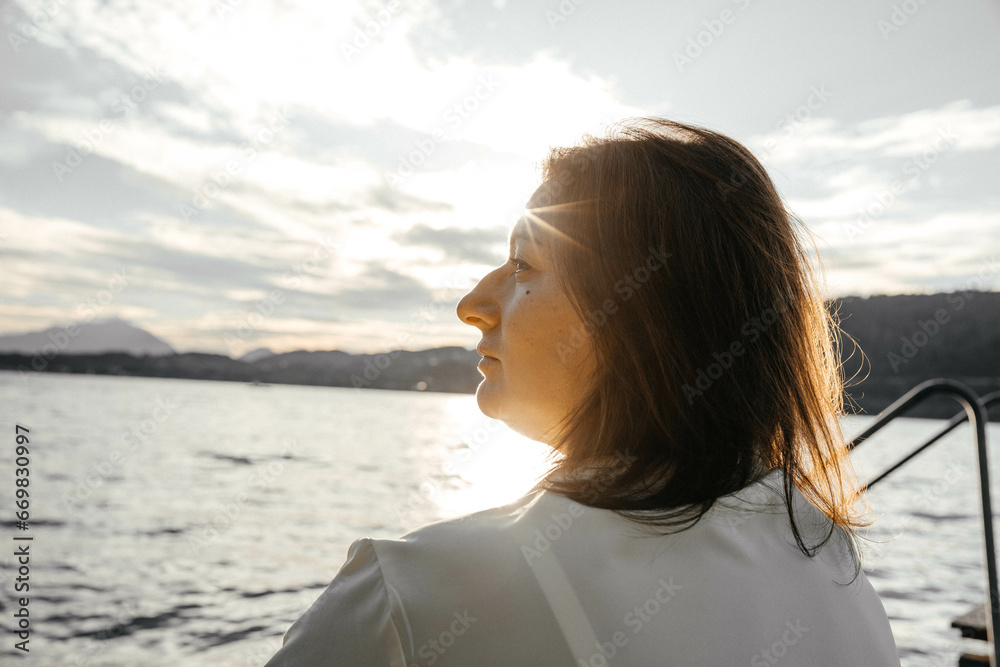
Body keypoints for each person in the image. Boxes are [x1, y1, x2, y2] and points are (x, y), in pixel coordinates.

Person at [264, 118, 900, 666]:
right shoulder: (832, 568)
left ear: (642, 314)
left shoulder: (413, 595)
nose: (472, 305)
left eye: (523, 265)